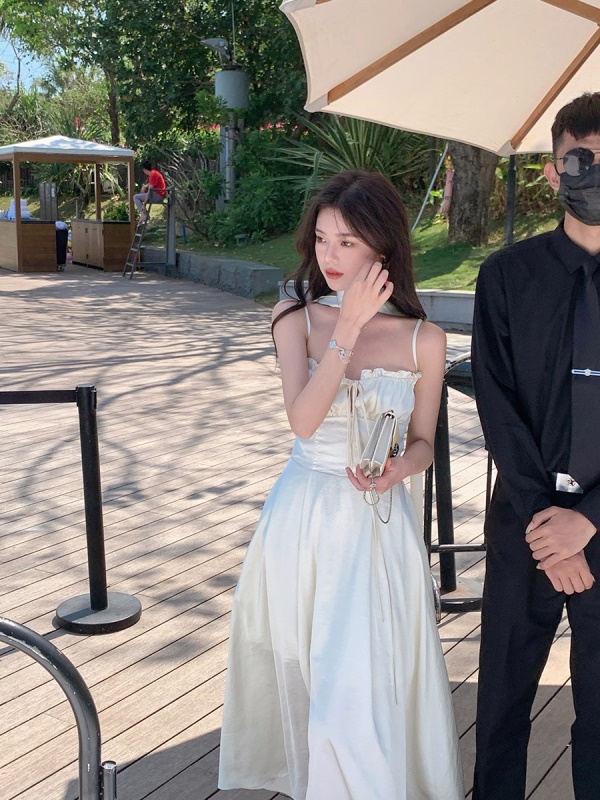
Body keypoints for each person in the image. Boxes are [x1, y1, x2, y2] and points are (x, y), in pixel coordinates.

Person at [218, 170, 464, 800]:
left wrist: (401, 468)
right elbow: (303, 421)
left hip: (377, 529)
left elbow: (423, 442)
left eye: (347, 241)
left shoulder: (425, 339)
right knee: (314, 681)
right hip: (304, 519)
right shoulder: (294, 318)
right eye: (323, 239)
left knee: (362, 688)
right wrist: (346, 332)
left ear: (383, 247)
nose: (329, 255)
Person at [472, 91, 600, 800]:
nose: (594, 175)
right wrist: (549, 528)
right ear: (552, 172)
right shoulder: (505, 277)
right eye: (580, 161)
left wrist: (589, 521)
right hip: (525, 521)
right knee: (502, 702)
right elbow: (498, 406)